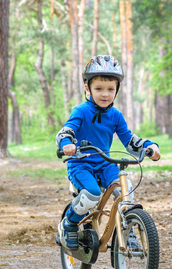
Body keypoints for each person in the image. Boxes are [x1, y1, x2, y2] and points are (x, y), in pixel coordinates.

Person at [56, 55, 161, 250]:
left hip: (105, 163)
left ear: (117, 90)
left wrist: (149, 147)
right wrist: (66, 143)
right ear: (87, 89)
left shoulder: (115, 115)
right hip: (81, 163)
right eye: (99, 89)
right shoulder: (80, 111)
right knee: (92, 194)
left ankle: (128, 231)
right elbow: (67, 130)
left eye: (110, 89)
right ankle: (69, 224)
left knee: (126, 190)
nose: (105, 94)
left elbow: (129, 140)